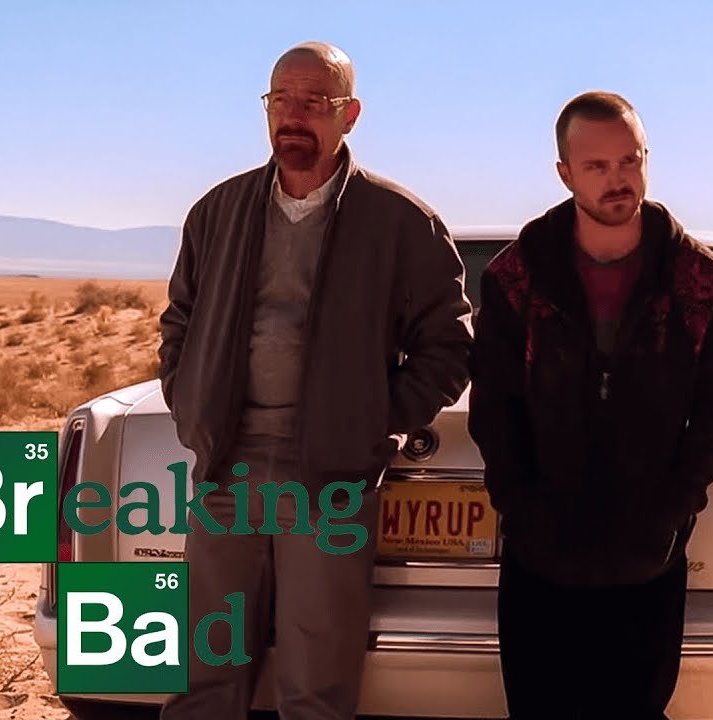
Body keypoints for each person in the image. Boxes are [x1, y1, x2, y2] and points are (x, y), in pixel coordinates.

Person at [157, 41, 473, 720]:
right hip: (226, 470)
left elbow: (449, 343)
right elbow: (178, 321)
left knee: (316, 683)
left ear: (349, 115)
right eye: (281, 100)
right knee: (204, 670)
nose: (293, 116)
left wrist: (371, 422)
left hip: (330, 481)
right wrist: (190, 403)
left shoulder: (400, 221)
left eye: (314, 102)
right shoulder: (218, 211)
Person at [467, 91, 713, 719]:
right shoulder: (515, 278)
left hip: (647, 550)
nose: (617, 179)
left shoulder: (699, 281)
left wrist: (673, 508)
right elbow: (496, 407)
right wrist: (523, 508)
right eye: (596, 166)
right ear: (565, 173)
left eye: (630, 160)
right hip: (540, 549)